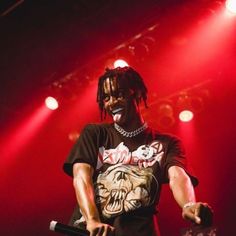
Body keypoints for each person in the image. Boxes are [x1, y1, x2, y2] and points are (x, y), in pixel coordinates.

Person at [63, 66, 213, 236]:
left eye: (119, 94)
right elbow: (81, 177)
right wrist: (92, 220)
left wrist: (188, 205)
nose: (112, 102)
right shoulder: (95, 133)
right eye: (106, 98)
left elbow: (178, 176)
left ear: (138, 93)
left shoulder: (167, 143)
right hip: (90, 231)